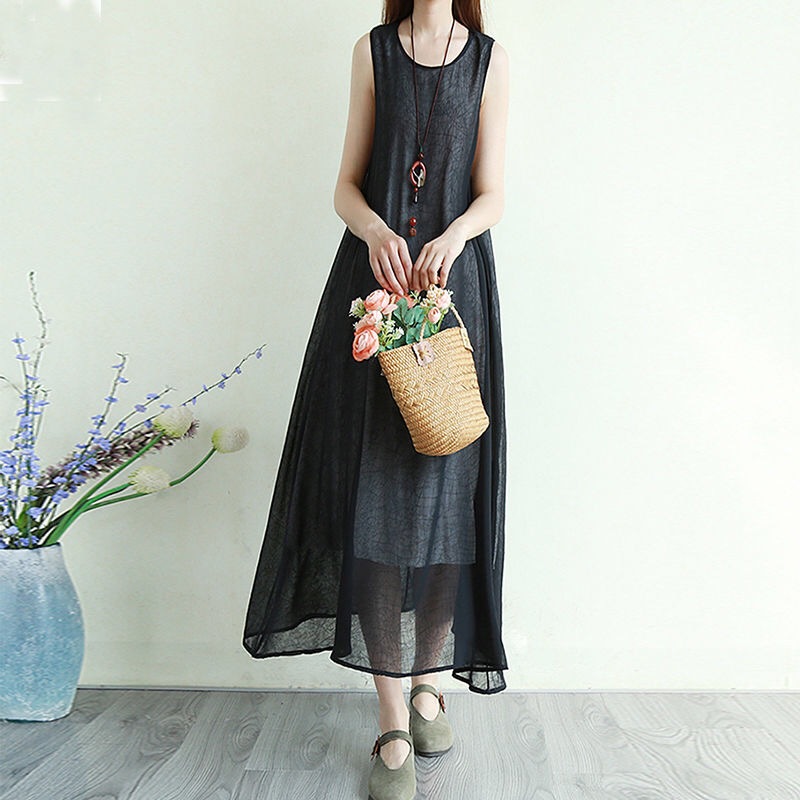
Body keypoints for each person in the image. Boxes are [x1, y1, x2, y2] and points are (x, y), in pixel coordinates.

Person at [242, 1, 509, 798]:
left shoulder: (489, 58)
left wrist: (454, 236)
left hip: (454, 296)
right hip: (372, 296)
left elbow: (493, 193)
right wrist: (375, 232)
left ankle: (429, 683)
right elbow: (346, 187)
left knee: (446, 498)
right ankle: (392, 715)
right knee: (376, 502)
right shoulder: (373, 51)